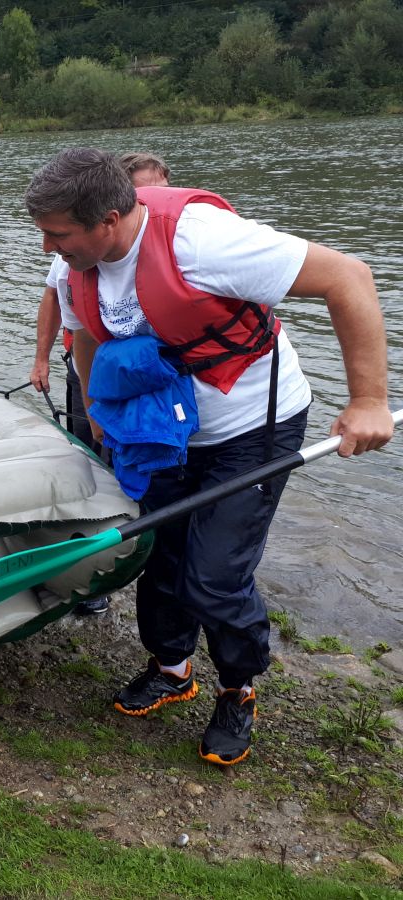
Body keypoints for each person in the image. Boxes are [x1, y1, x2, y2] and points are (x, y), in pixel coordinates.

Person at [24, 148, 393, 765]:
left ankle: (238, 688)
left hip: (253, 427)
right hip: (163, 432)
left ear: (108, 219)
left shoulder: (203, 242)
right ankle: (173, 670)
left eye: (57, 235)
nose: (46, 249)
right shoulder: (74, 264)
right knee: (159, 554)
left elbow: (348, 276)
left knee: (215, 576)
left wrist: (369, 400)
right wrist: (101, 419)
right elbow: (86, 336)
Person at [29, 154, 169, 616]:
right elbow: (60, 307)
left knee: (143, 465)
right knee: (91, 454)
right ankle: (92, 560)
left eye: (159, 188)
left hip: (149, 384)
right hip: (91, 373)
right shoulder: (76, 258)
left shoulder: (171, 242)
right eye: (143, 190)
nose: (152, 199)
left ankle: (138, 545)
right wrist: (42, 360)